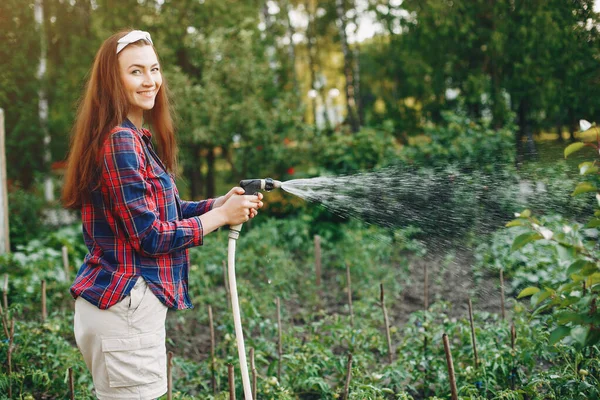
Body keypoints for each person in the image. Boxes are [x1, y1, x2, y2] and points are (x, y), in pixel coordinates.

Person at [61, 29, 263, 399]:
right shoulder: (120, 141)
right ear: (112, 79)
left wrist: (219, 204)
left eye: (154, 69)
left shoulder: (131, 137)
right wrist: (219, 219)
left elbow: (164, 213)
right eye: (135, 71)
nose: (150, 80)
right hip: (125, 309)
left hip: (120, 308)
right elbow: (150, 235)